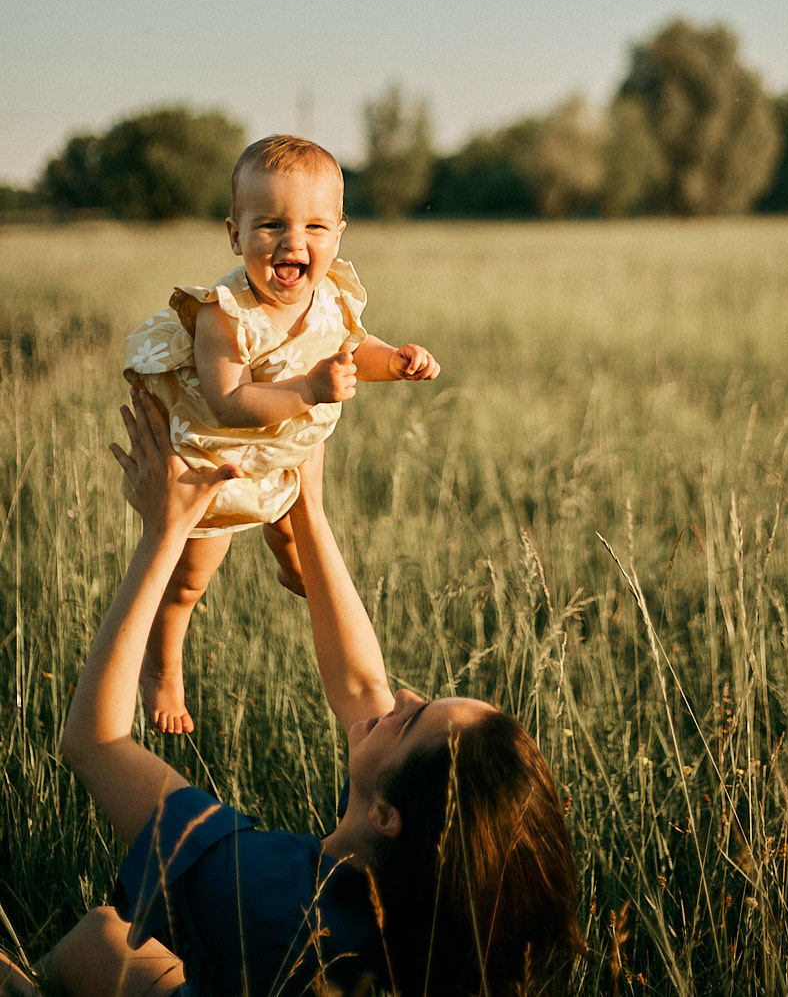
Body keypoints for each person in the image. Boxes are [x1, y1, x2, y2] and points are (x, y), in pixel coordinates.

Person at [0, 390, 582, 997]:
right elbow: (363, 687)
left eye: (412, 720)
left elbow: (95, 743)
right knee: (102, 936)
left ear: (388, 816)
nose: (404, 696)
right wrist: (308, 507)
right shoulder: (421, 914)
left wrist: (164, 531)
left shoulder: (260, 891)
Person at [123, 134, 440, 733]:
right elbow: (228, 401)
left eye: (315, 227)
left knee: (299, 548)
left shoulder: (331, 296)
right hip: (220, 465)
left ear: (338, 234)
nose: (294, 242)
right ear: (235, 234)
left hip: (283, 455)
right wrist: (309, 390)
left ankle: (292, 569)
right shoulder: (224, 314)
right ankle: (161, 667)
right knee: (189, 579)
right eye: (270, 225)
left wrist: (394, 361)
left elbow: (352, 349)